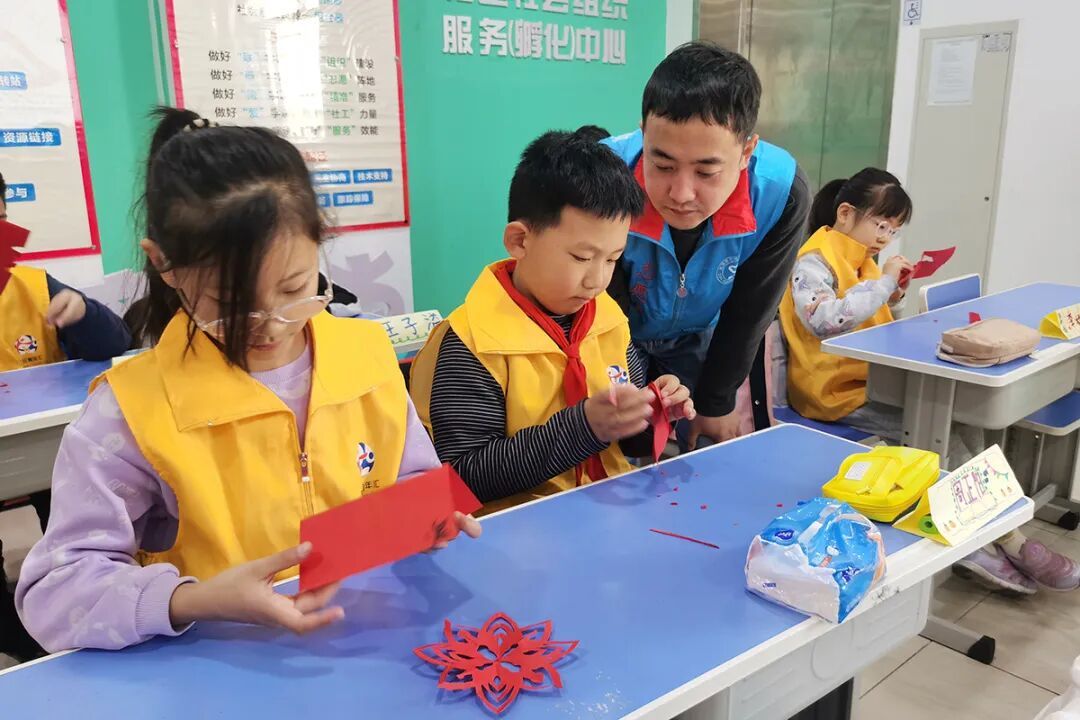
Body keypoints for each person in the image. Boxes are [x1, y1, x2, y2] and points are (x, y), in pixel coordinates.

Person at [15, 108, 479, 652]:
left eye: (295, 288)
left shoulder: (367, 353)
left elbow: (411, 480)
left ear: (319, 240)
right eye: (231, 303)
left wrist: (425, 516)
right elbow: (54, 592)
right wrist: (191, 599)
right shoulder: (130, 411)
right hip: (218, 658)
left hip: (364, 640)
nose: (271, 325)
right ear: (164, 262)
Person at [779, 167, 1079, 594]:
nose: (886, 237)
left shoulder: (863, 259)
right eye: (881, 225)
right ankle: (996, 540)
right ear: (846, 213)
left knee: (966, 422)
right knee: (943, 433)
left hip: (873, 379)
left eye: (894, 230)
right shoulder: (814, 260)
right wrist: (884, 283)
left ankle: (985, 531)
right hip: (834, 391)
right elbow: (824, 320)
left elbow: (878, 325)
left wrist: (894, 294)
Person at [409, 130, 695, 513]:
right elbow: (465, 477)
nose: (597, 280)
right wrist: (584, 427)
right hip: (513, 531)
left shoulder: (608, 320)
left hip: (606, 514)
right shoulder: (468, 344)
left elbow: (626, 443)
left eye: (612, 259)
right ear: (519, 241)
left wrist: (652, 412)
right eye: (581, 258)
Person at [603, 41, 810, 450]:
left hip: (704, 336)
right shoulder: (605, 176)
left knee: (699, 445)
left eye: (706, 172)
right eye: (662, 165)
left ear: (746, 151)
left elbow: (750, 309)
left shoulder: (779, 193)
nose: (681, 193)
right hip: (615, 330)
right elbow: (603, 305)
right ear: (643, 134)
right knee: (622, 445)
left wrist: (717, 400)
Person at [0, 170, 132, 662]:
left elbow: (114, 343)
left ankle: (65, 599)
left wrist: (83, 312)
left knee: (68, 507)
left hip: (44, 449)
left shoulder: (31, 286)